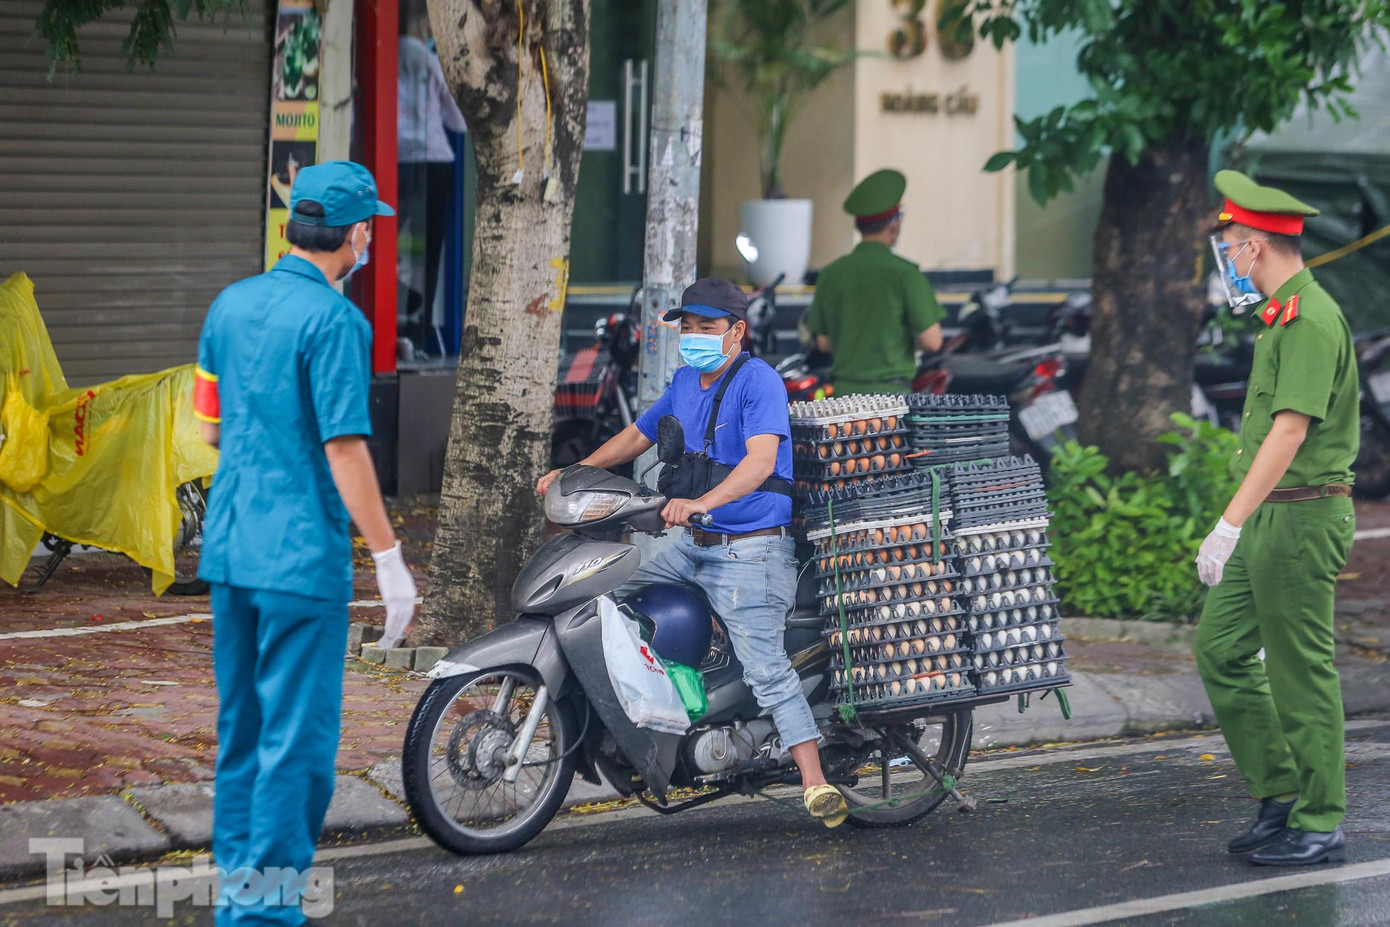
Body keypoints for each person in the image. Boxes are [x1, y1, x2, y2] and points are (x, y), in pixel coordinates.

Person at [193, 161, 420, 924]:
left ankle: (238, 896)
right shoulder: (336, 323)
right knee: (296, 744)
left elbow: (209, 426)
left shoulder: (229, 305)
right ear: (357, 236)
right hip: (298, 561)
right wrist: (389, 558)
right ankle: (262, 913)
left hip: (231, 549)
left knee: (243, 733)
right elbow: (345, 449)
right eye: (369, 230)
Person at [536, 278, 849, 828]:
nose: (695, 335)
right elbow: (638, 435)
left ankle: (815, 782)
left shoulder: (759, 382)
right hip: (693, 548)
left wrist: (700, 502)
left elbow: (758, 463)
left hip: (750, 553)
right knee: (604, 595)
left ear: (736, 332)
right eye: (688, 326)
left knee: (767, 670)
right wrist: (575, 471)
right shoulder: (684, 381)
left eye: (707, 327)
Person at [1194, 169, 1359, 868]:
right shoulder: (1281, 318)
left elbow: (1288, 433)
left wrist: (1227, 524)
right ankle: (1282, 794)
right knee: (1221, 648)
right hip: (1270, 515)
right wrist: (1239, 522)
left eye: (1230, 243)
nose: (1227, 256)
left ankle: (1321, 819)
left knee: (1300, 671)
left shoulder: (1311, 318)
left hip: (1301, 517)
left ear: (1255, 244)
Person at [803, 168, 945, 395]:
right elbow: (932, 342)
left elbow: (824, 343)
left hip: (843, 400)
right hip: (891, 403)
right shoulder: (906, 274)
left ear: (856, 225)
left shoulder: (830, 274)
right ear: (894, 225)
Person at [397, 0, 467, 357]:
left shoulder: (382, 58)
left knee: (388, 247)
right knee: (428, 255)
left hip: (393, 162)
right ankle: (418, 333)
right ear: (424, 21)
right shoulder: (428, 59)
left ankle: (393, 322)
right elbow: (458, 121)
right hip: (435, 163)